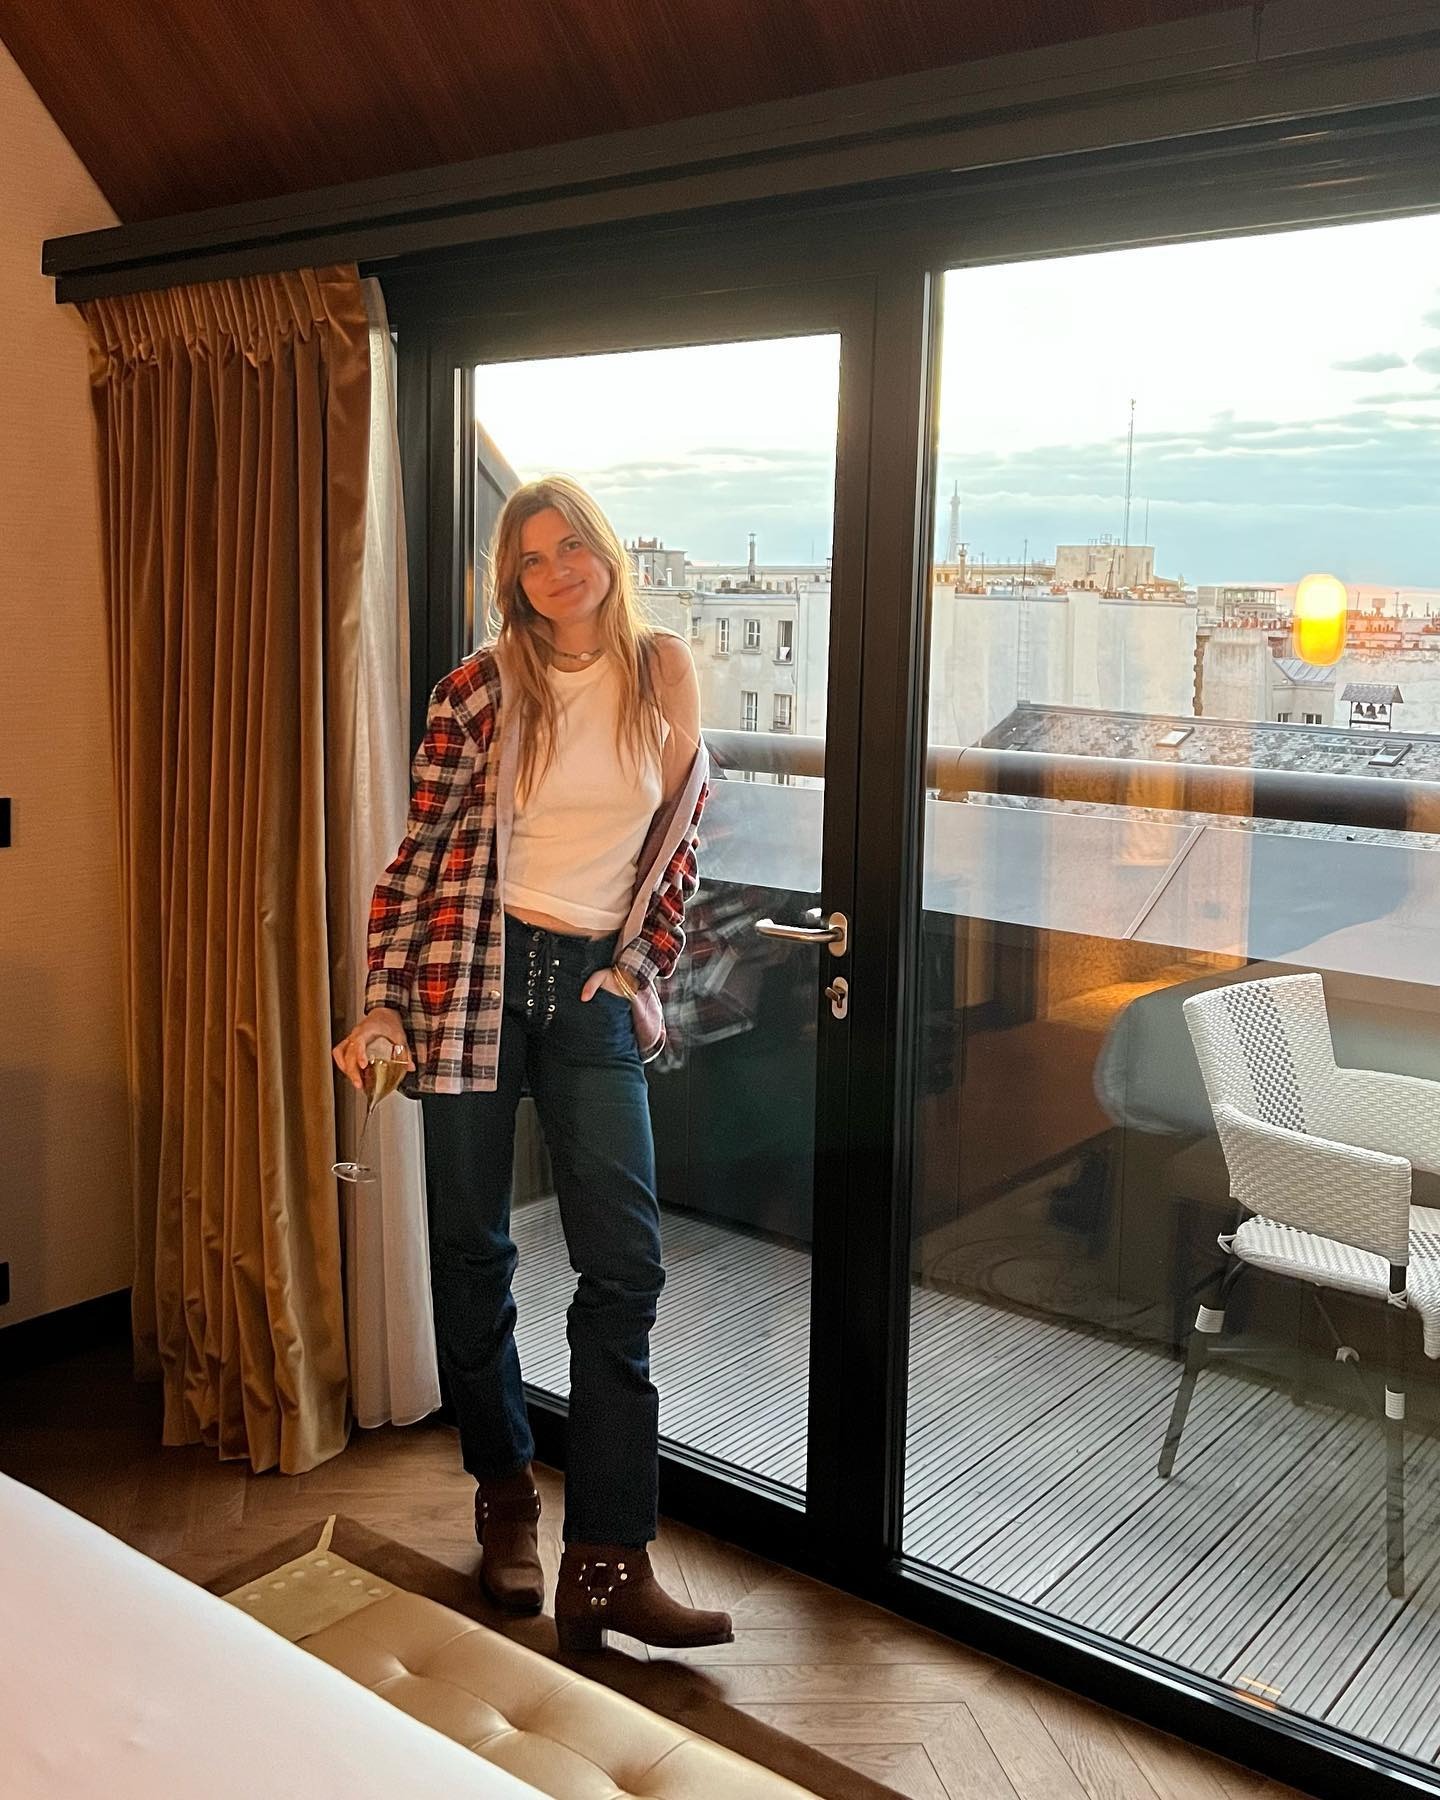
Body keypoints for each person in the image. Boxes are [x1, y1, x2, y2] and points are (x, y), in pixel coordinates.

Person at [333, 476, 731, 1653]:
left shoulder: (662, 669)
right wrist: (384, 1006)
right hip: (471, 972)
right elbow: (417, 862)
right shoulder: (480, 688)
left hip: (590, 992)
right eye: (530, 558)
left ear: (605, 553)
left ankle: (607, 1560)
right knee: (474, 1246)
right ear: (510, 577)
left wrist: (642, 965)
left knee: (624, 1267)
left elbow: (681, 841)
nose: (555, 572)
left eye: (572, 548)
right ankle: (505, 1496)